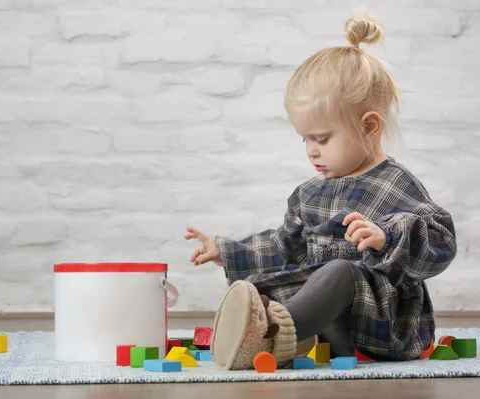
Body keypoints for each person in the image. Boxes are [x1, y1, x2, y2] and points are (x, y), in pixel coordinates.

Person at [185, 8, 457, 370]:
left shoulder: (394, 183)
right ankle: (269, 330)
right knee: (275, 281)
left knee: (340, 271)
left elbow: (441, 242)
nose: (312, 151)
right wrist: (227, 251)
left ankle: (274, 333)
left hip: (379, 323)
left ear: (370, 126)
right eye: (305, 140)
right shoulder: (309, 194)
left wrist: (386, 238)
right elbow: (285, 245)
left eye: (322, 139)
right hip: (326, 324)